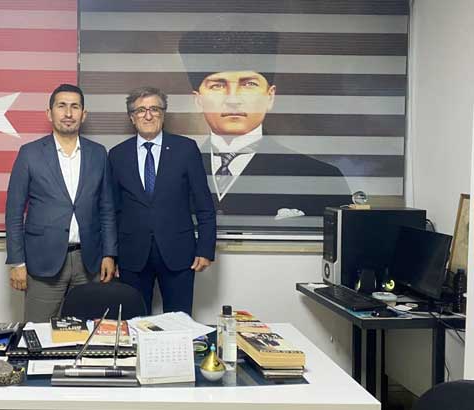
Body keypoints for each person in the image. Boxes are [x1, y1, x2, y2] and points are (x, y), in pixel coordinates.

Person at [178, 32, 351, 218]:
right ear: (198, 100)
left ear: (270, 97)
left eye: (248, 84)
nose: (233, 99)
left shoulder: (319, 177)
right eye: (217, 86)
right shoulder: (173, 173)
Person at [5, 84, 117, 322]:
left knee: (89, 331)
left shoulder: (99, 154)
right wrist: (17, 261)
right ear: (49, 113)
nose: (68, 113)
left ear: (83, 114)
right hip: (43, 262)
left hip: (89, 262)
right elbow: (14, 212)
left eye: (75, 107)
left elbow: (106, 209)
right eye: (62, 106)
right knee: (38, 332)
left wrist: (109, 254)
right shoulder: (29, 153)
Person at [108, 86, 216, 315]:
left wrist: (206, 249)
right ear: (132, 117)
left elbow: (204, 204)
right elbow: (112, 210)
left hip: (179, 254)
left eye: (155, 109)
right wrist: (111, 254)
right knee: (134, 323)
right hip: (132, 256)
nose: (148, 115)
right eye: (141, 110)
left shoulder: (186, 149)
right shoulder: (117, 155)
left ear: (163, 114)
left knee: (179, 323)